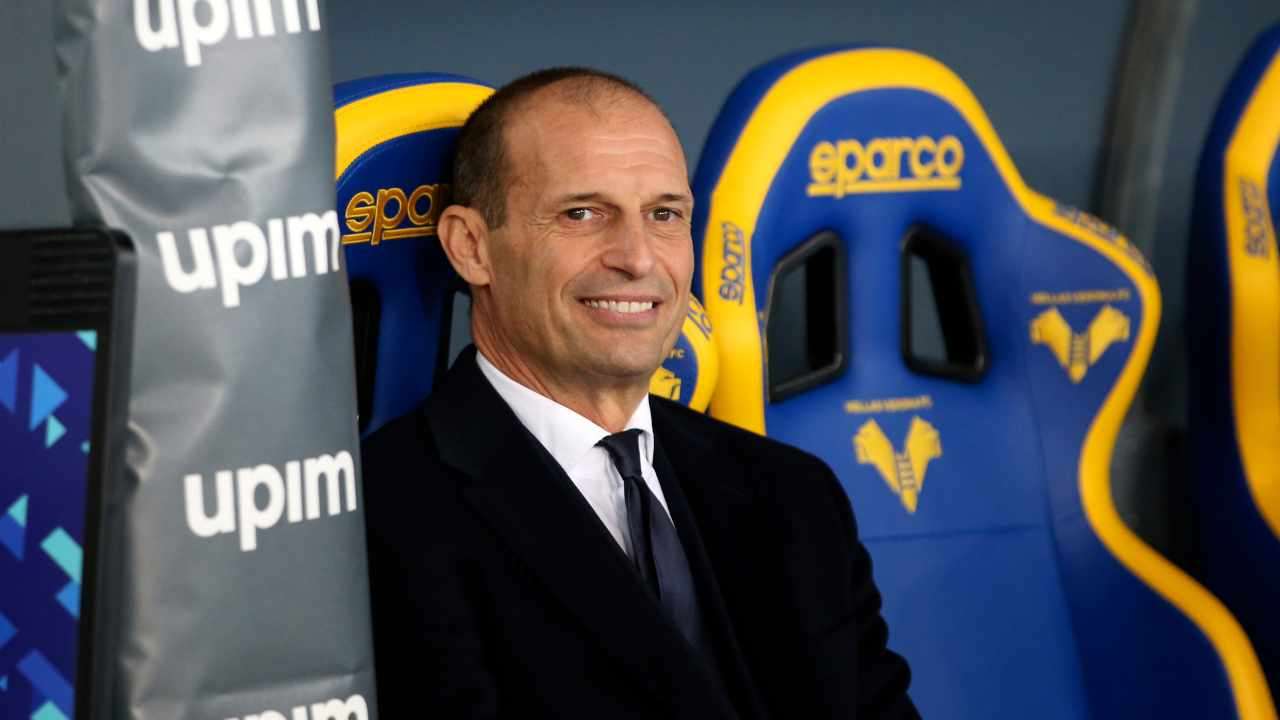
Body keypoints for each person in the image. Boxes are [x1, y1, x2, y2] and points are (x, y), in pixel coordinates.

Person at [360, 67, 918, 719]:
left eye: (664, 215)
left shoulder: (795, 497)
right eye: (582, 213)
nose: (638, 257)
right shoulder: (382, 520)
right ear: (472, 247)